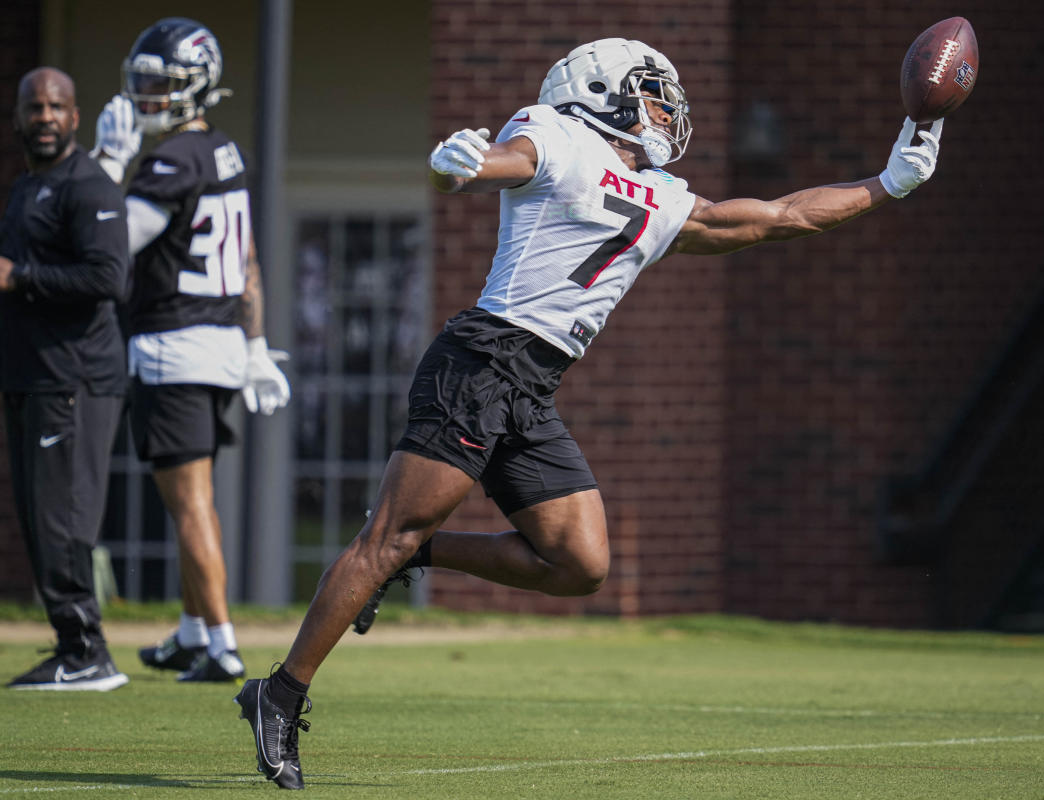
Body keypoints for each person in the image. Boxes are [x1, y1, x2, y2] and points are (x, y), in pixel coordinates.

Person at [235, 37, 944, 788]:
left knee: (578, 564)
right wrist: (467, 166)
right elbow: (515, 161)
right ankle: (278, 695)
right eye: (651, 90)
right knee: (386, 533)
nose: (667, 107)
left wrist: (888, 182)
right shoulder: (557, 131)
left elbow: (774, 218)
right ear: (601, 91)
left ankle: (423, 556)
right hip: (482, 362)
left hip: (533, 385)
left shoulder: (664, 195)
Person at [90, 17, 291, 684]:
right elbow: (250, 259)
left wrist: (110, 169)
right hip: (219, 342)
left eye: (160, 85)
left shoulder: (170, 161)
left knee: (190, 502)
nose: (146, 96)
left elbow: (110, 246)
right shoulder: (225, 151)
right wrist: (257, 343)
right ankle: (190, 629)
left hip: (175, 343)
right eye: (142, 83)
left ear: (196, 88)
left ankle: (222, 642)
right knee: (188, 502)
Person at [0, 68, 131, 691]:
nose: (45, 116)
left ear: (76, 118)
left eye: (56, 106)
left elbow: (108, 279)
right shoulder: (30, 186)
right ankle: (72, 647)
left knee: (63, 520)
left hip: (74, 380)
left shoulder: (88, 184)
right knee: (37, 519)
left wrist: (18, 277)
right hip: (31, 378)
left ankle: (87, 654)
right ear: (20, 116)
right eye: (35, 107)